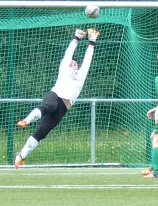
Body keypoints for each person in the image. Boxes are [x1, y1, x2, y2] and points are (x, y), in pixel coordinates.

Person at [14, 28, 99, 168]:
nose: (73, 63)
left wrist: (92, 42)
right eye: (71, 63)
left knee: (43, 131)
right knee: (48, 106)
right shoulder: (63, 71)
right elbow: (68, 54)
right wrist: (76, 38)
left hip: (64, 107)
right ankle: (25, 121)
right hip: (55, 95)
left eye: (75, 63)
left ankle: (21, 156)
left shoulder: (80, 77)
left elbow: (87, 61)